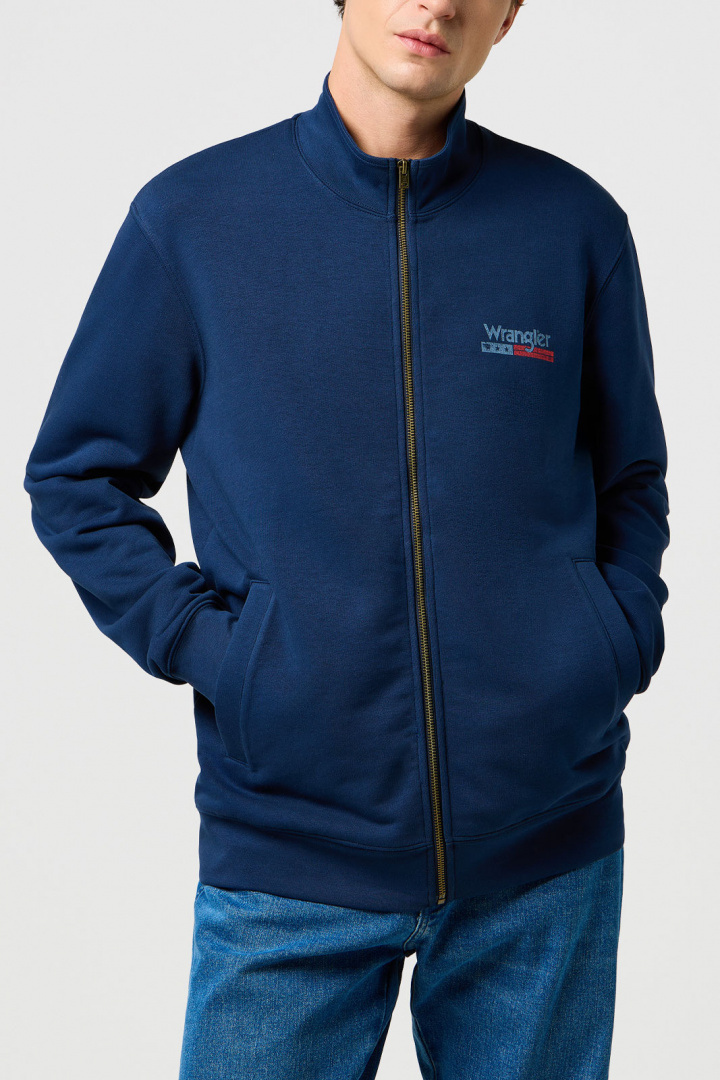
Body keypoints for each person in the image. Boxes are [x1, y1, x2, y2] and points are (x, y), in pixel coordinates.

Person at [23, 0, 670, 1076]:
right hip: (288, 856)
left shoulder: (574, 226)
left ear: (510, 15)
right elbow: (76, 476)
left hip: (545, 855)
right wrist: (222, 652)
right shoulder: (194, 222)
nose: (438, 3)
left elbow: (630, 475)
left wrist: (604, 641)